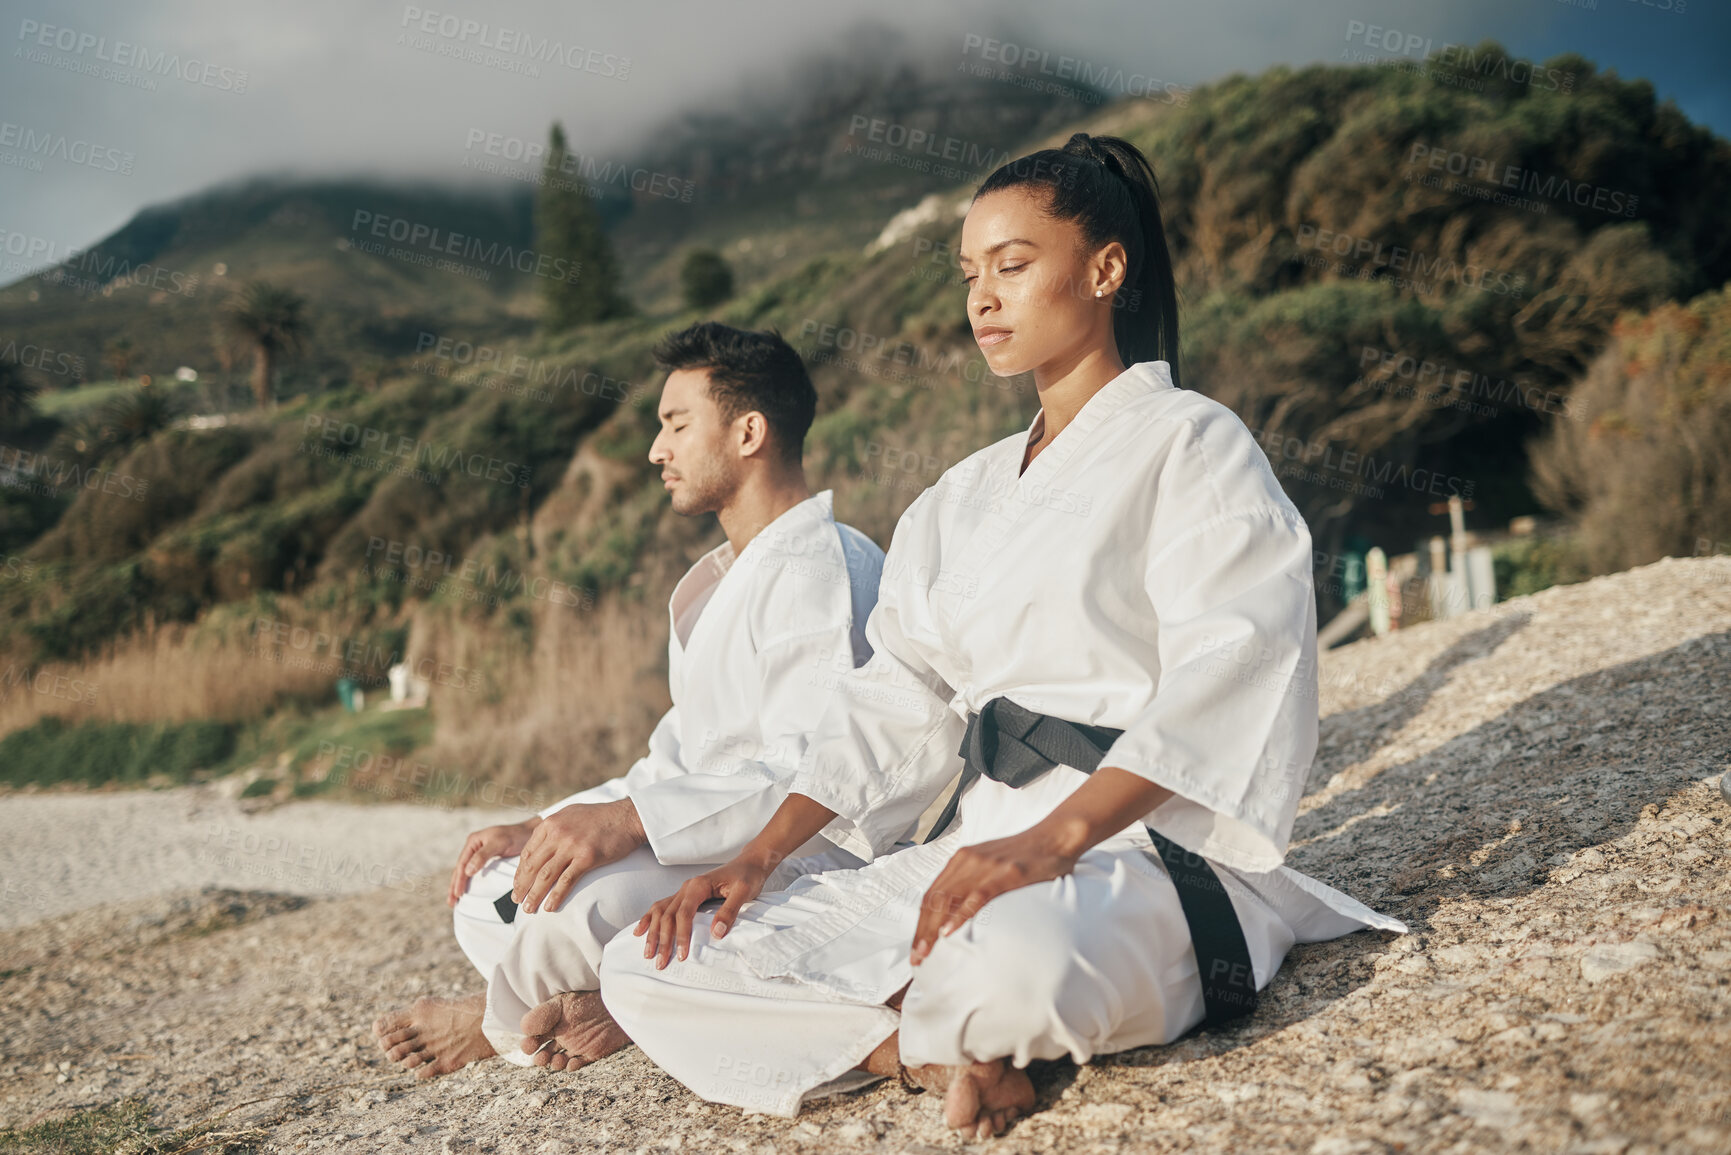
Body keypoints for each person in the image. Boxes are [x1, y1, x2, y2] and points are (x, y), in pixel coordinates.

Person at [604, 134, 1409, 1138]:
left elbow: (1235, 659)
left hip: (1143, 850)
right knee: (646, 962)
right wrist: (759, 858)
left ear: (1107, 269)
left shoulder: (1192, 443)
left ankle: (952, 1024)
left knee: (1020, 956)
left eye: (1013, 266)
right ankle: (914, 1051)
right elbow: (894, 694)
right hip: (983, 846)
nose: (982, 298)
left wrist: (1056, 838)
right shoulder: (959, 497)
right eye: (970, 274)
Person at [372, 321, 887, 1078]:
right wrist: (544, 824)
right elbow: (676, 755)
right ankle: (612, 997)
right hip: (702, 835)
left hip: (794, 853)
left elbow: (814, 769)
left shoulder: (820, 569)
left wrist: (627, 823)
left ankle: (497, 1028)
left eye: (676, 423)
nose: (656, 449)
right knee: (494, 890)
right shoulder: (726, 576)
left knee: (562, 915)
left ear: (749, 431)